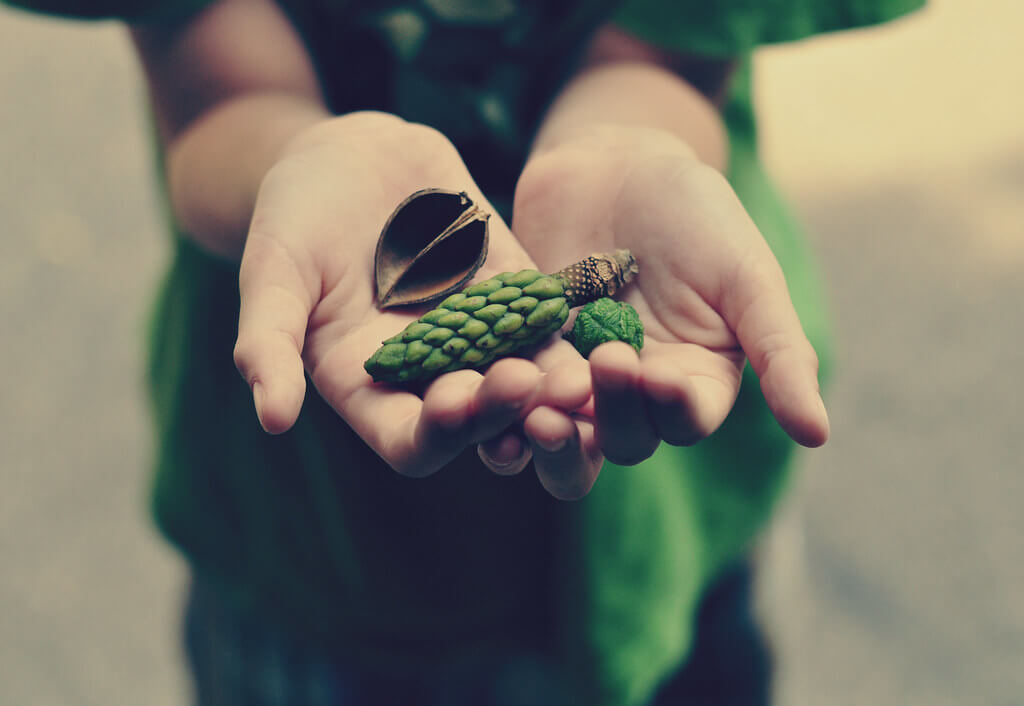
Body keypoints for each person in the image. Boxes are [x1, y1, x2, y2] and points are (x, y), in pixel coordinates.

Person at [3, 0, 923, 703]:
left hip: (675, 537)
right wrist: (298, 157)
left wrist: (633, 138)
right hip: (315, 547)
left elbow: (666, 62)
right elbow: (219, 94)